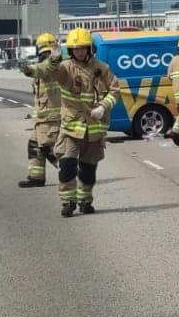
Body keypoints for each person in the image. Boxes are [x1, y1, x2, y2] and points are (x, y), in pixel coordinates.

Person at [39, 29, 120, 216]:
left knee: (88, 170)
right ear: (71, 51)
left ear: (89, 48)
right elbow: (49, 73)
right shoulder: (65, 67)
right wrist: (53, 60)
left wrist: (103, 106)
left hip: (93, 130)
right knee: (67, 166)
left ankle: (85, 200)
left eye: (82, 48)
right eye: (75, 49)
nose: (79, 52)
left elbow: (115, 90)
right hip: (70, 128)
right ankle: (68, 202)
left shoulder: (102, 68)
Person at [18, 32, 62, 187]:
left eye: (46, 53)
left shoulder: (53, 65)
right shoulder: (47, 65)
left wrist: (28, 69)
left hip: (51, 118)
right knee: (34, 145)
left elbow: (45, 67)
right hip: (42, 118)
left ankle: (70, 172)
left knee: (49, 149)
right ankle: (36, 177)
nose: (44, 56)